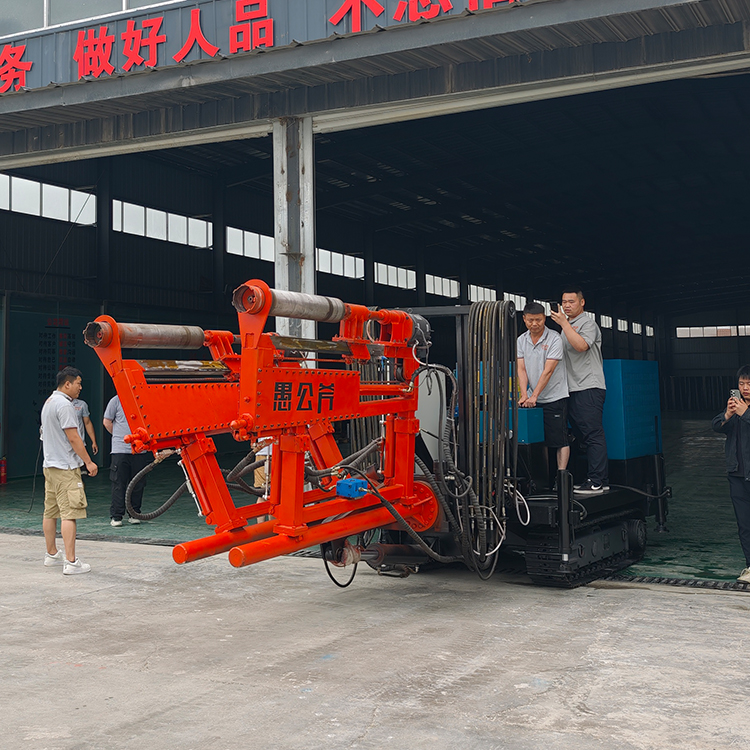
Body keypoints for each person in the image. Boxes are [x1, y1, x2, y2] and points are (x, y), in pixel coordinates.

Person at [549, 288, 608, 495]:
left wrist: (564, 324)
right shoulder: (567, 327)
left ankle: (597, 480)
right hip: (572, 388)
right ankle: (597, 478)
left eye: (571, 302)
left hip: (588, 386)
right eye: (564, 302)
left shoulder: (587, 324)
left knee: (592, 433)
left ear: (582, 303)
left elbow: (581, 346)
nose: (566, 305)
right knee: (581, 434)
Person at [41, 366, 98, 575]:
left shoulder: (49, 402)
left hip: (50, 466)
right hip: (65, 467)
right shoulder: (65, 405)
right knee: (69, 513)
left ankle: (52, 554)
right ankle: (72, 562)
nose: (80, 388)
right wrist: (88, 462)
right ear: (67, 384)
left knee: (50, 511)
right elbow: (73, 437)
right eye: (78, 384)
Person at [517, 302, 570, 486]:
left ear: (544, 319)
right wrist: (524, 394)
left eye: (538, 320)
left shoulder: (555, 338)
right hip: (533, 398)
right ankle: (543, 480)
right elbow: (521, 369)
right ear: (524, 319)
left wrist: (535, 396)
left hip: (555, 396)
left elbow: (549, 370)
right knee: (539, 439)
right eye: (530, 320)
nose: (534, 324)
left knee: (559, 439)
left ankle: (561, 479)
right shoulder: (521, 340)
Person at [711, 366, 750, 584]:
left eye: (749, 384)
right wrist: (728, 414)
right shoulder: (736, 408)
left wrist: (746, 414)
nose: (745, 388)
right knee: (744, 525)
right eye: (741, 384)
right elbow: (716, 425)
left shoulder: (744, 411)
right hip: (737, 475)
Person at [103, 395, 150, 527]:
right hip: (120, 449)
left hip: (140, 449)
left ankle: (134, 514)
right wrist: (119, 437)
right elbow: (107, 422)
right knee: (119, 483)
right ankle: (117, 516)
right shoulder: (116, 400)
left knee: (138, 483)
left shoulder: (143, 399)